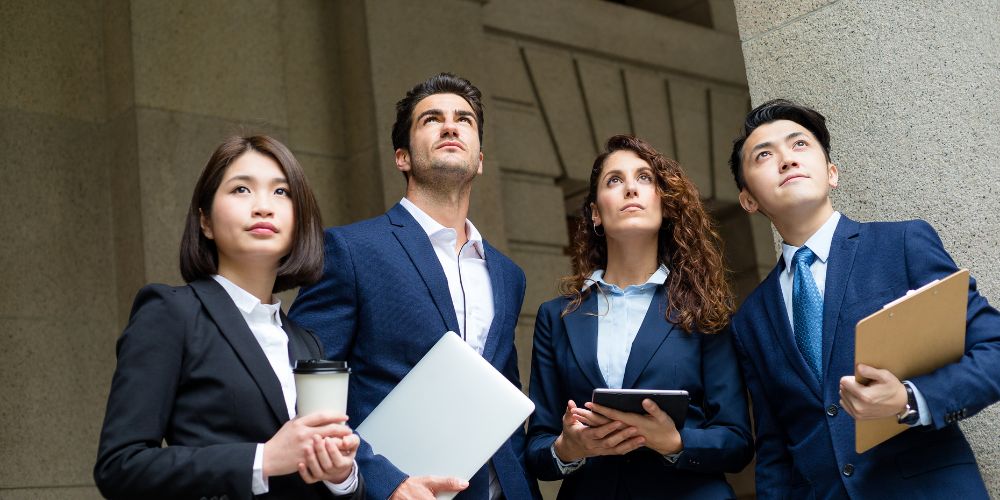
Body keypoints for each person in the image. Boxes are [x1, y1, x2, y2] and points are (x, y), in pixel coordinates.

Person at [728, 99, 1000, 498]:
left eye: (799, 145)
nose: (786, 160)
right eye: (764, 155)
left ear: (832, 173)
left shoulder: (902, 244)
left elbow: (994, 348)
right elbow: (774, 448)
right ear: (749, 199)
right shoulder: (750, 319)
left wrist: (909, 399)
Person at [288, 73, 540, 500]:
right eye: (431, 119)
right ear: (402, 157)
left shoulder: (508, 274)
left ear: (480, 158)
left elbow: (502, 393)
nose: (450, 126)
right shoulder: (350, 250)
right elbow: (305, 386)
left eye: (464, 119)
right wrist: (385, 484)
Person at [94, 135, 364, 499]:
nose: (263, 206)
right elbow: (120, 466)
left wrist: (341, 475)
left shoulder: (306, 340)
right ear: (205, 221)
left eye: (281, 192)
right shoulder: (171, 313)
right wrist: (262, 460)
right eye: (241, 190)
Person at [525, 135, 753, 499]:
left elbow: (737, 440)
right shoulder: (557, 317)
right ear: (596, 213)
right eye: (614, 180)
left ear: (663, 205)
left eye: (644, 178)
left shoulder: (703, 309)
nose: (630, 187)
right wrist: (569, 448)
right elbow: (537, 447)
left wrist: (675, 442)